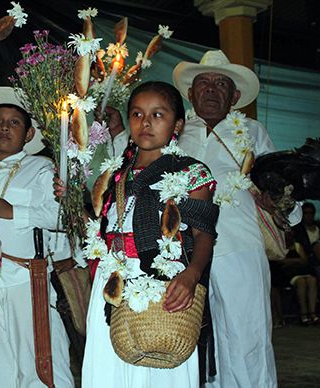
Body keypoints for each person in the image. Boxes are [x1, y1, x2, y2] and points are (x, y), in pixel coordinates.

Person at [61, 81, 219, 387]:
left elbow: (203, 234)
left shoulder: (191, 172)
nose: (145, 123)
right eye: (136, 114)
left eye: (158, 115)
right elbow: (100, 232)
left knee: (161, 373)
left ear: (178, 124)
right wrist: (70, 199)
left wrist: (192, 274)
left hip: (165, 284)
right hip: (112, 285)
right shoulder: (114, 175)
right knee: (108, 371)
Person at [173, 49, 301, 387]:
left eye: (221, 84)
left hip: (239, 245)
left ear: (235, 96)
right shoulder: (174, 131)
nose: (211, 89)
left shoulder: (253, 131)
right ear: (190, 93)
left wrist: (282, 201)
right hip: (178, 251)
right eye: (203, 83)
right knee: (182, 337)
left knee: (246, 336)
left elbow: (285, 191)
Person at [0, 86, 73, 387]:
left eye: (15, 122)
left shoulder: (43, 169)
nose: (5, 126)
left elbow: (63, 217)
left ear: (29, 135)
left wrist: (15, 212)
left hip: (27, 279)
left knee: (41, 360)